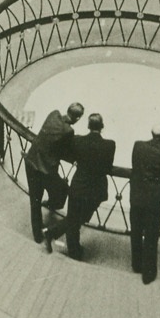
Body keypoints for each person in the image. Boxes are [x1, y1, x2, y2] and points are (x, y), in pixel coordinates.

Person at [41, 112, 114, 259]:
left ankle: (63, 241)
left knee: (74, 217)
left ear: (88, 126)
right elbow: (107, 167)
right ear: (102, 127)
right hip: (95, 190)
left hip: (78, 185)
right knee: (77, 219)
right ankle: (71, 249)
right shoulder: (109, 145)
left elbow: (69, 153)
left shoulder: (78, 141)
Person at [24, 102, 83, 242]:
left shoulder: (53, 114)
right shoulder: (68, 131)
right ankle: (53, 204)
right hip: (45, 169)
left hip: (31, 162)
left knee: (35, 200)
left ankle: (37, 235)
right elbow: (67, 149)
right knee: (63, 189)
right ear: (78, 118)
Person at [129, 123, 160, 284]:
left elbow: (134, 164)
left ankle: (136, 263)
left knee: (136, 229)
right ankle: (148, 272)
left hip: (137, 194)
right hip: (154, 198)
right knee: (151, 234)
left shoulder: (138, 146)